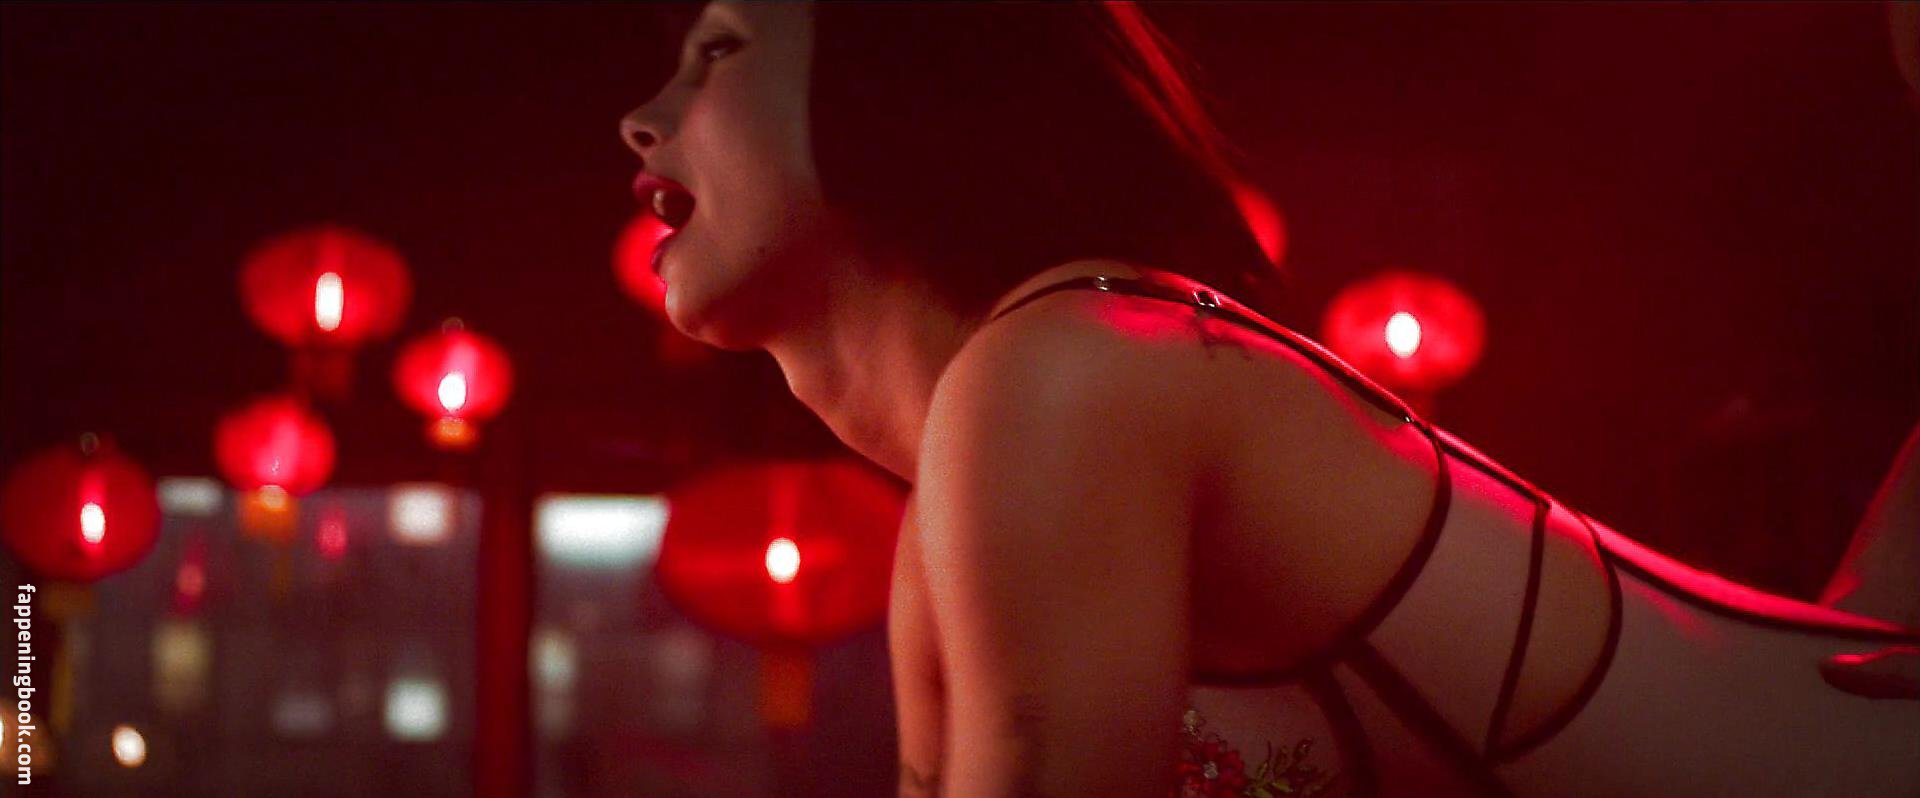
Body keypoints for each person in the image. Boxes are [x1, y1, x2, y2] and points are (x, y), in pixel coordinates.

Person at [618, 3, 1920, 796]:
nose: (641, 118)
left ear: (899, 78)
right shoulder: (977, 476)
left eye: (717, 51)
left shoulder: (1062, 367)